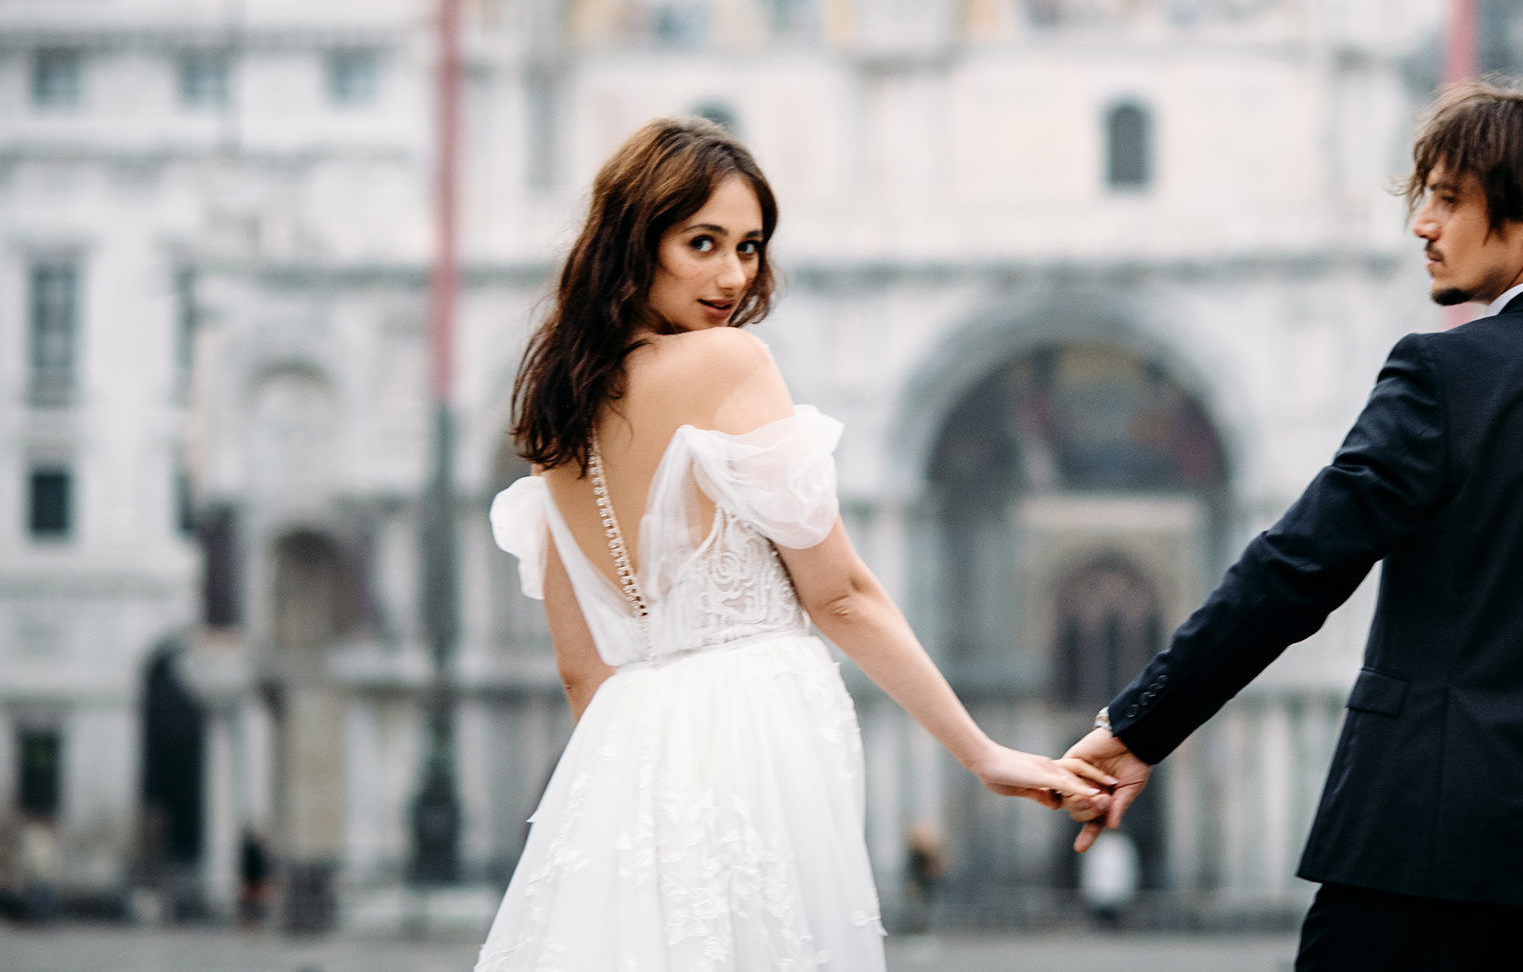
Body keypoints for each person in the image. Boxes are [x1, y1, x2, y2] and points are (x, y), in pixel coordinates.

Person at [1062, 76, 1523, 972]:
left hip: (1422, 847)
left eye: (1449, 200)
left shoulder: (1444, 374)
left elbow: (1297, 567)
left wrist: (1141, 724)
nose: (1423, 224)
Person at [473, 118, 1110, 971]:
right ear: (635, 240)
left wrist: (646, 787)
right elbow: (839, 592)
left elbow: (582, 672)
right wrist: (984, 751)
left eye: (748, 246)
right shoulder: (729, 364)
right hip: (754, 740)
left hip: (624, 761)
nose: (732, 275)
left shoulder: (557, 424)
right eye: (702, 242)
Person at [1080, 828, 1140, 930]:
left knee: (1116, 917)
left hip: (1117, 890)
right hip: (1099, 890)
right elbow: (1089, 868)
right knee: (1101, 918)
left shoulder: (1123, 844)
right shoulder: (1096, 844)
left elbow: (1129, 868)